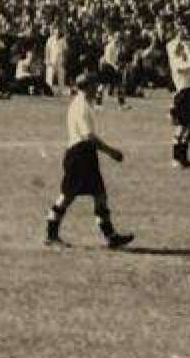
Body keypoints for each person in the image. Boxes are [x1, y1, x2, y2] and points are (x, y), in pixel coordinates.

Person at [43, 72, 135, 250]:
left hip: (86, 155)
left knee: (100, 195)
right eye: (94, 85)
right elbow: (88, 137)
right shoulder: (81, 106)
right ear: (88, 87)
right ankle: (50, 234)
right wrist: (111, 152)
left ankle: (111, 237)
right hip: (79, 155)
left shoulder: (83, 103)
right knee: (67, 197)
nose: (97, 88)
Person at [166, 22, 190, 168]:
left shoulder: (186, 44)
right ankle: (175, 158)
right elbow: (178, 67)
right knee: (181, 125)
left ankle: (184, 157)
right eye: (182, 28)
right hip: (182, 90)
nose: (185, 31)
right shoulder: (173, 45)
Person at [44, 25, 70, 96]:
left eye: (58, 30)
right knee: (49, 76)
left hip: (60, 62)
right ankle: (48, 91)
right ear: (54, 31)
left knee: (61, 77)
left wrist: (64, 61)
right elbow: (47, 50)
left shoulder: (63, 40)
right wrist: (47, 60)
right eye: (56, 30)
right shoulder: (50, 39)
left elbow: (66, 52)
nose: (57, 32)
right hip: (51, 61)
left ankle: (61, 91)